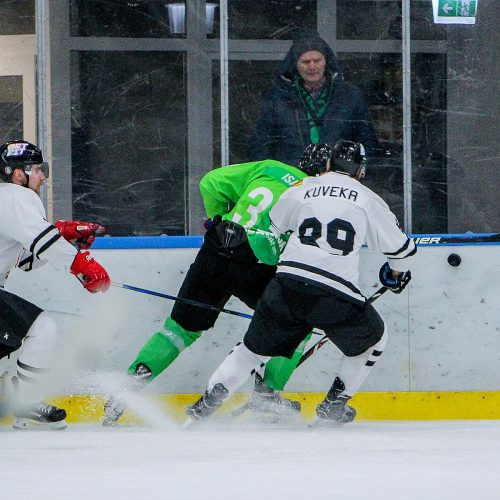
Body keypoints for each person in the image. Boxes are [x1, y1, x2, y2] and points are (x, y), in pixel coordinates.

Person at [186, 140, 416, 425]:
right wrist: (394, 276)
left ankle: (207, 403)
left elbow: (273, 225)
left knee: (251, 350)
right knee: (374, 341)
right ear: (360, 171)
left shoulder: (303, 188)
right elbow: (403, 251)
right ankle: (334, 405)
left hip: (285, 286)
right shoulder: (367, 199)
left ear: (329, 163)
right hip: (334, 293)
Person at [103, 156, 317, 425]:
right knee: (296, 323)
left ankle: (128, 387)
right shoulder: (313, 192)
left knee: (179, 330)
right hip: (255, 263)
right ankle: (268, 395)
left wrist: (218, 217)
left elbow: (210, 182)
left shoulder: (268, 167)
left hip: (216, 246)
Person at [0, 140, 110, 430]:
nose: (43, 176)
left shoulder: (7, 199)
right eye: (38, 169)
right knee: (42, 327)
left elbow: (25, 259)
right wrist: (83, 265)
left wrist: (62, 237)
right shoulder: (15, 197)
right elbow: (42, 242)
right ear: (17, 174)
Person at [248, 33, 379, 167]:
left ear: (326, 61)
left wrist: (355, 172)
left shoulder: (350, 95)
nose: (312, 67)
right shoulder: (278, 98)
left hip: (338, 180)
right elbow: (260, 146)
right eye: (305, 62)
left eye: (317, 60)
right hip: (291, 179)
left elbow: (367, 143)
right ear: (295, 64)